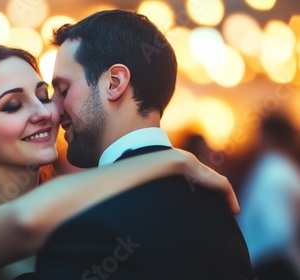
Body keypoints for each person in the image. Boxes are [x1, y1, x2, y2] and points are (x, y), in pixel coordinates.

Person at [0, 44, 239, 280]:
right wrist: (172, 161)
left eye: (44, 95)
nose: (46, 113)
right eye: (12, 105)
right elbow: (25, 222)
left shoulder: (89, 213)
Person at [31, 10, 254, 279]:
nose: (53, 110)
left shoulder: (86, 214)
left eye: (64, 89)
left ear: (114, 83)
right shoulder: (217, 203)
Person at [237, 114, 300, 279]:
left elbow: (279, 232)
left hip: (271, 267)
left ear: (267, 136)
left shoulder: (273, 171)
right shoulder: (286, 169)